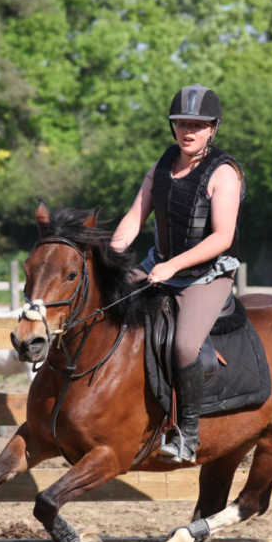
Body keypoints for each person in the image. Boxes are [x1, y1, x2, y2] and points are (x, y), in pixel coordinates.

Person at [110, 84, 244, 464]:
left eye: (198, 125)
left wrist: (173, 265)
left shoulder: (225, 173)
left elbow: (222, 237)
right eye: (182, 123)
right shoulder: (162, 165)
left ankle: (187, 434)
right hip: (160, 264)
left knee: (185, 345)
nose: (188, 131)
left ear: (212, 129)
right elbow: (135, 218)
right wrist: (109, 255)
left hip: (206, 274)